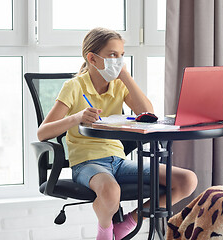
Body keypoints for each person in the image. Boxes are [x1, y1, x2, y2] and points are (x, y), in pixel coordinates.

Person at [37, 27, 198, 240]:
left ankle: (128, 222)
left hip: (119, 161)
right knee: (111, 191)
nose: (118, 60)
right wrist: (76, 118)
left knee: (187, 180)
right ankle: (104, 232)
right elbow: (43, 133)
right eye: (113, 55)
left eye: (121, 55)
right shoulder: (74, 86)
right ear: (92, 59)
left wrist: (126, 78)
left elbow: (147, 113)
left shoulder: (119, 86)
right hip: (87, 163)